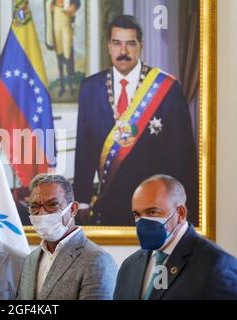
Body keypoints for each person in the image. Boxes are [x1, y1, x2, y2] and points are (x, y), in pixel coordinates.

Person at [73, 15, 198, 226]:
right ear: (109, 47)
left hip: (156, 205)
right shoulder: (90, 88)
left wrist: (184, 207)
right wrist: (82, 200)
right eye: (117, 44)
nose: (123, 52)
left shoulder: (167, 88)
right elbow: (84, 151)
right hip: (108, 205)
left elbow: (182, 155)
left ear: (141, 46)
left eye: (130, 44)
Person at [114, 175, 237, 300]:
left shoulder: (216, 264)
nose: (143, 221)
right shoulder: (129, 266)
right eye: (137, 214)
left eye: (152, 212)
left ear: (181, 213)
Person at [16, 174, 117, 300]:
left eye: (52, 204)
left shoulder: (97, 260)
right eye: (35, 207)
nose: (42, 213)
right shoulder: (30, 259)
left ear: (73, 209)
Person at [45, 0, 81, 97]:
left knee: (68, 56)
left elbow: (77, 2)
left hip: (66, 22)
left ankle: (70, 86)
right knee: (59, 58)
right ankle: (62, 87)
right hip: (56, 24)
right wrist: (50, 5)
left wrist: (73, 6)